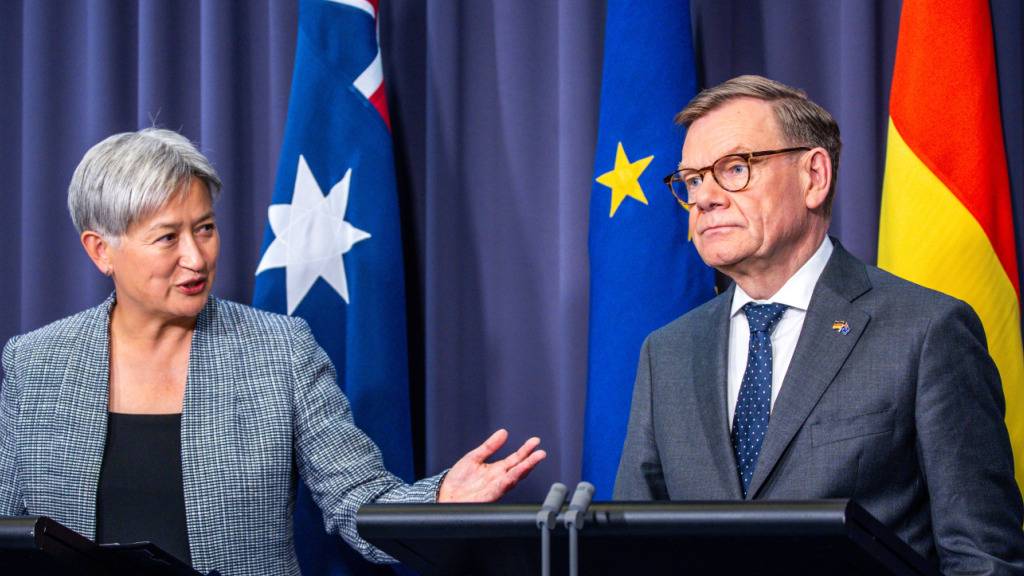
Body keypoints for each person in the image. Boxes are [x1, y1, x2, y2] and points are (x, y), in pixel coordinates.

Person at [0, 128, 546, 575]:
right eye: (168, 238)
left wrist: (439, 506)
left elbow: (357, 501)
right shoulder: (35, 364)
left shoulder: (279, 349)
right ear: (102, 251)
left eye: (206, 229)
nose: (196, 257)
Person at [614, 75, 1024, 574]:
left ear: (814, 177)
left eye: (735, 168)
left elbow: (984, 560)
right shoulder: (668, 352)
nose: (704, 198)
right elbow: (631, 553)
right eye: (694, 179)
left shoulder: (927, 331)